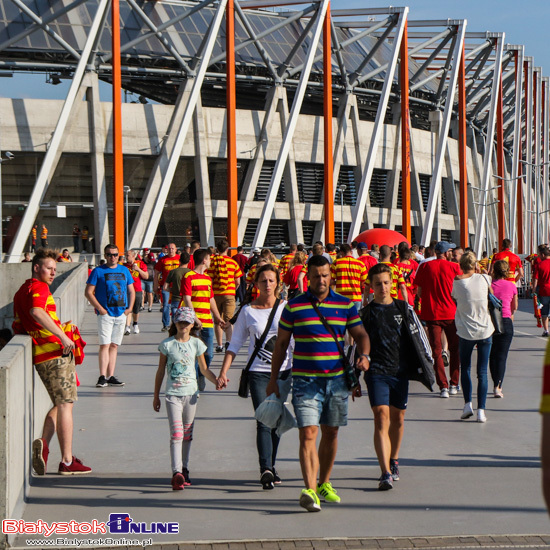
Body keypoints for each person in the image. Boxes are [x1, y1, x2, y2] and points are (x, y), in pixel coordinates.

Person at [267, 255, 370, 512]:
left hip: (336, 381)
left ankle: (324, 483)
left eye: (325, 275)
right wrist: (273, 379)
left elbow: (361, 334)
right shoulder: (294, 306)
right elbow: (280, 344)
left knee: (331, 432)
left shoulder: (346, 305)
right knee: (308, 433)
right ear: (307, 277)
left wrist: (365, 356)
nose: (321, 280)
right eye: (316, 276)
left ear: (330, 275)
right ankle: (310, 490)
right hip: (305, 380)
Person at [12, 249, 91, 475]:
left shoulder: (21, 291)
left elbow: (21, 322)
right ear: (36, 267)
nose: (52, 273)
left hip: (41, 355)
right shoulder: (39, 287)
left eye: (55, 270)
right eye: (49, 268)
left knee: (59, 403)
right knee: (66, 405)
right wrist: (63, 336)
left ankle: (44, 445)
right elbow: (37, 311)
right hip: (54, 354)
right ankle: (67, 461)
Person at [360, 263, 434, 490]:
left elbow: (420, 336)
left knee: (398, 418)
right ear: (370, 287)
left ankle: (394, 459)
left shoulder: (404, 309)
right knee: (381, 417)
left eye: (386, 282)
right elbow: (355, 344)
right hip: (376, 372)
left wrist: (429, 361)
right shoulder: (366, 313)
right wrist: (353, 376)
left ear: (392, 283)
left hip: (400, 371)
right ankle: (385, 472)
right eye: (377, 284)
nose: (382, 287)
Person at [217, 264, 292, 489]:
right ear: (256, 284)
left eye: (271, 280)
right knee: (264, 418)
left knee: (277, 420)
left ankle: (271, 465)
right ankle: (265, 469)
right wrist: (223, 371)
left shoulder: (287, 309)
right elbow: (236, 343)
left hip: (284, 371)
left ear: (278, 283)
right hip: (258, 373)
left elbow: (297, 341)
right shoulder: (248, 311)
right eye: (263, 281)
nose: (267, 285)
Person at [153, 307, 218, 490]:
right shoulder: (167, 345)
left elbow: (203, 369)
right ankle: (176, 472)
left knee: (187, 434)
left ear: (192, 325)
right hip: (173, 395)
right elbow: (160, 372)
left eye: (187, 322)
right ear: (175, 323)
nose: (183, 325)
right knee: (176, 434)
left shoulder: (197, 344)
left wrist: (216, 381)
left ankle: (185, 468)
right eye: (180, 322)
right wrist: (156, 396)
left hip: (191, 395)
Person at [415, 241, 461, 398]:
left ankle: (443, 386)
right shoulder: (454, 267)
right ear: (447, 253)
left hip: (432, 313)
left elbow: (419, 291)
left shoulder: (425, 267)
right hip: (451, 313)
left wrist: (429, 300)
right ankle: (454, 383)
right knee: (454, 349)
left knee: (436, 351)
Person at [85, 244, 135, 388]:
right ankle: (102, 376)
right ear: (105, 256)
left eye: (115, 255)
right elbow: (88, 292)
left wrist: (129, 309)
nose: (112, 257)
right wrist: (100, 309)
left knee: (114, 345)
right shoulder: (98, 271)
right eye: (109, 254)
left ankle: (110, 375)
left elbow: (131, 290)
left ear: (119, 256)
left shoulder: (124, 270)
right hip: (105, 314)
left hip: (121, 313)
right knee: (104, 345)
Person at [451, 251, 494, 423]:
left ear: (461, 265)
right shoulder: (485, 279)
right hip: (485, 329)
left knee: (466, 368)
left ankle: (467, 404)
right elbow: (490, 294)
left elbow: (455, 298)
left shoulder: (458, 281)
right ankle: (481, 411)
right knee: (482, 372)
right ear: (476, 264)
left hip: (466, 331)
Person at [180, 248, 226, 390]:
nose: (211, 261)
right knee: (193, 353)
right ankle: (194, 381)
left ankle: (201, 374)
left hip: (207, 321)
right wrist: (195, 319)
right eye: (210, 259)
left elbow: (210, 298)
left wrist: (218, 317)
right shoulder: (188, 277)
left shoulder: (207, 279)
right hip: (193, 322)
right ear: (204, 260)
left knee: (209, 354)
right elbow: (187, 299)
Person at [207, 238, 243, 352]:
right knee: (229, 319)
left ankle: (219, 344)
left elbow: (209, 279)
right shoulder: (233, 263)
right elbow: (238, 281)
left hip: (216, 294)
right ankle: (229, 341)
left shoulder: (212, 261)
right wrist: (233, 289)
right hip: (229, 294)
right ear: (227, 249)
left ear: (217, 249)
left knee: (217, 320)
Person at [489, 260, 518, 397]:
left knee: (491, 354)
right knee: (502, 356)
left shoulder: (489, 285)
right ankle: (498, 386)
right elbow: (515, 306)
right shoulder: (511, 286)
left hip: (491, 321)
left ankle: (495, 381)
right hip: (506, 320)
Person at [330, 243, 368, 310]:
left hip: (341, 298)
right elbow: (365, 282)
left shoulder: (336, 263)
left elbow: (331, 281)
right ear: (351, 252)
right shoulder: (360, 264)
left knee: (342, 319)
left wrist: (339, 281)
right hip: (356, 297)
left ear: (341, 252)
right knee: (355, 319)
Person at [155, 243, 180, 331]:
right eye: (169, 249)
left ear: (176, 249)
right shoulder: (162, 260)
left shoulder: (179, 259)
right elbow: (156, 272)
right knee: (165, 305)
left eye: (172, 248)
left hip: (177, 287)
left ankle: (175, 323)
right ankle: (166, 324)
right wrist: (156, 286)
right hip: (165, 286)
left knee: (176, 306)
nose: (171, 250)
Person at [124, 250, 148, 335]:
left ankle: (135, 323)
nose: (126, 257)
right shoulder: (124, 266)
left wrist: (138, 269)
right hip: (126, 290)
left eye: (128, 255)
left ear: (134, 256)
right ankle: (127, 327)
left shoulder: (140, 264)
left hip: (137, 289)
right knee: (128, 308)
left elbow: (146, 276)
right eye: (126, 255)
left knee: (136, 309)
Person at [164, 252, 191, 319]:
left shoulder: (173, 272)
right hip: (188, 301)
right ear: (189, 261)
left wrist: (172, 289)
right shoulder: (191, 273)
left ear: (179, 260)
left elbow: (165, 287)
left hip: (176, 299)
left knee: (175, 322)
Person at [532, 247, 550, 337]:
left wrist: (534, 291)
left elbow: (535, 279)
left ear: (543, 255)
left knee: (544, 312)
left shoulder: (540, 265)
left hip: (544, 291)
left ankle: (546, 330)